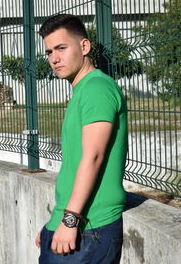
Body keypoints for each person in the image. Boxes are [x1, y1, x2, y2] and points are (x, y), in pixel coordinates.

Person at [35, 14, 128, 264]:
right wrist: (54, 223)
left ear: (84, 46)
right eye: (49, 51)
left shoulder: (97, 88)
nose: (54, 58)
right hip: (73, 222)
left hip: (90, 227)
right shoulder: (83, 90)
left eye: (61, 48)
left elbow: (94, 156)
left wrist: (69, 220)